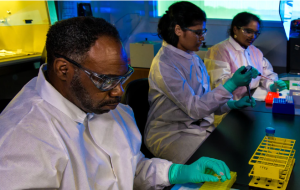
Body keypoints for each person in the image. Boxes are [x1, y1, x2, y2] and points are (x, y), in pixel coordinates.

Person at [0, 17, 232, 190]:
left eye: (122, 77)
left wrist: (175, 172)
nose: (119, 91)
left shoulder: (109, 108)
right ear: (63, 69)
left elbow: (129, 169)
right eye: (105, 80)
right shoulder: (22, 139)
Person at [145, 1, 257, 165]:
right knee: (218, 167)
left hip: (197, 128)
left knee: (238, 153)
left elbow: (206, 103)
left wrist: (233, 104)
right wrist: (231, 84)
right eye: (197, 32)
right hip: (171, 134)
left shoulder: (193, 58)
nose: (203, 37)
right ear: (178, 30)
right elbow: (196, 109)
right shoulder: (164, 64)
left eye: (203, 31)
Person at [205, 12, 287, 100]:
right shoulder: (219, 51)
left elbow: (267, 74)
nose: (253, 36)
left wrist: (272, 85)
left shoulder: (255, 51)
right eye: (248, 31)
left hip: (252, 98)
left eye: (256, 33)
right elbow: (218, 85)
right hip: (229, 104)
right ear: (235, 29)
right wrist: (243, 76)